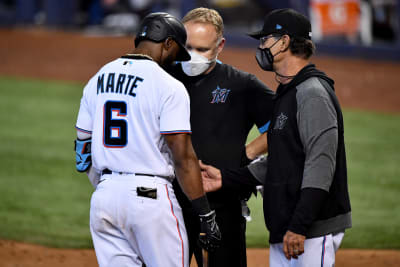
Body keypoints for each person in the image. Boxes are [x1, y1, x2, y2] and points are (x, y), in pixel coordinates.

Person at [200, 8, 352, 267]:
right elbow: (282, 161)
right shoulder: (288, 92)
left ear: (284, 42)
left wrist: (300, 226)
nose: (260, 47)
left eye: (264, 40)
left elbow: (321, 165)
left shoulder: (312, 93)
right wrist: (225, 178)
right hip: (286, 226)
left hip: (310, 230)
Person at [74, 12, 221, 267]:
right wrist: (205, 213)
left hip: (104, 200)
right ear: (168, 44)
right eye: (178, 52)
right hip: (151, 201)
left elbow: (82, 151)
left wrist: (108, 187)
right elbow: (183, 157)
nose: (177, 60)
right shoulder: (168, 86)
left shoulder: (97, 78)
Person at [167, 7, 275, 267]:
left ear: (220, 45)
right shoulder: (165, 78)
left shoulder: (241, 84)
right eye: (188, 46)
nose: (194, 55)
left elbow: (284, 125)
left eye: (203, 49)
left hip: (222, 201)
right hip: (169, 199)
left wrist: (247, 154)